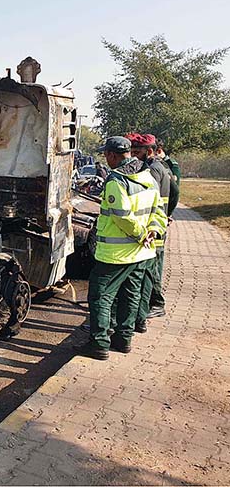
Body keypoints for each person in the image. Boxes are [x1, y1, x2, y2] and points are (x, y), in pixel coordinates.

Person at [74, 136, 166, 360]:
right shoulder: (147, 176)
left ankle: (99, 344)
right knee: (131, 294)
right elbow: (159, 211)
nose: (105, 159)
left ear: (113, 156)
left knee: (100, 296)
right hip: (141, 253)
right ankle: (123, 340)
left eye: (106, 155)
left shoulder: (117, 181)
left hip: (116, 254)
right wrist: (152, 231)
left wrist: (141, 234)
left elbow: (122, 216)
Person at [125, 134, 176, 330]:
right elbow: (175, 192)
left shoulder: (152, 170)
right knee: (151, 269)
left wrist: (163, 215)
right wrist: (167, 214)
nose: (134, 156)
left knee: (150, 271)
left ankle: (153, 306)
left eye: (137, 152)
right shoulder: (159, 167)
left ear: (149, 151)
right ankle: (147, 308)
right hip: (157, 223)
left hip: (152, 228)